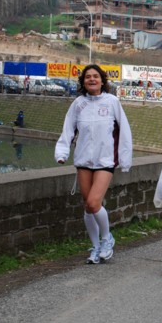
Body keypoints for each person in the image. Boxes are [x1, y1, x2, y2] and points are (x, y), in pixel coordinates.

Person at [55, 64, 133, 264]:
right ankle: (95, 247)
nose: (92, 79)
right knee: (87, 207)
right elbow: (67, 129)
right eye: (88, 77)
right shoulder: (78, 104)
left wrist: (125, 159)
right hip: (83, 161)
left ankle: (107, 239)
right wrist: (62, 153)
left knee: (93, 203)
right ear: (83, 81)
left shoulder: (112, 101)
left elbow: (124, 131)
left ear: (102, 80)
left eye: (95, 76)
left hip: (105, 160)